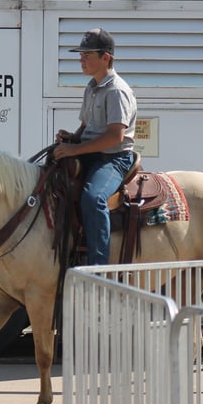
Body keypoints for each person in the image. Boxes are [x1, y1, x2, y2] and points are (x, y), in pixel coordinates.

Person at [53, 28, 138, 266]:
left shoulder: (117, 90)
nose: (81, 60)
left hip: (113, 158)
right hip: (90, 153)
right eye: (81, 55)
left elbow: (115, 137)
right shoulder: (91, 87)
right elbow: (86, 126)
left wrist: (74, 150)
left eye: (87, 55)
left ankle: (99, 267)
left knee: (94, 198)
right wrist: (73, 137)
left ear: (106, 57)